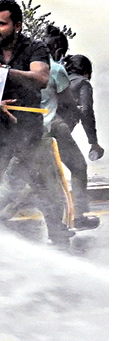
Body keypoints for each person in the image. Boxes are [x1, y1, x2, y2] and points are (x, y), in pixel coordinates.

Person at [0, 1, 71, 246]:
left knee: (43, 184)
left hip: (28, 131)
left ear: (17, 26)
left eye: (1, 24)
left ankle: (58, 236)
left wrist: (3, 71)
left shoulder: (34, 48)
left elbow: (41, 78)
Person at [57, 52, 103, 229]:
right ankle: (79, 216)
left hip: (39, 131)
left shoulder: (60, 80)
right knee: (78, 167)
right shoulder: (82, 83)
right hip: (59, 133)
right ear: (86, 71)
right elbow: (86, 112)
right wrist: (93, 142)